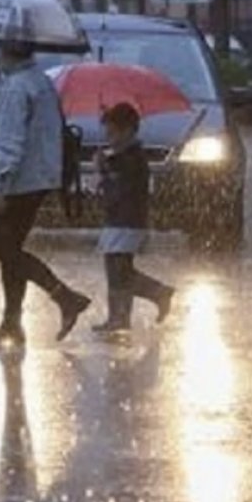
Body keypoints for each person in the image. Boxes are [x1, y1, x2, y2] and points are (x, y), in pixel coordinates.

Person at [0, 42, 91, 349]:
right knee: (10, 249)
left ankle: (64, 296)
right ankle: (12, 324)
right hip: (36, 176)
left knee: (2, 247)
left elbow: (10, 142)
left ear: (5, 52)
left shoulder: (17, 88)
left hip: (20, 181)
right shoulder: (38, 80)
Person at [90, 103, 174, 334]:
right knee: (116, 269)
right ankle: (119, 317)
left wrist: (103, 172)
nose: (108, 138)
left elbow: (119, 190)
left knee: (119, 270)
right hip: (119, 220)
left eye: (112, 132)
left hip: (126, 221)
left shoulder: (130, 159)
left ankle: (154, 294)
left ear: (127, 131)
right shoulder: (122, 157)